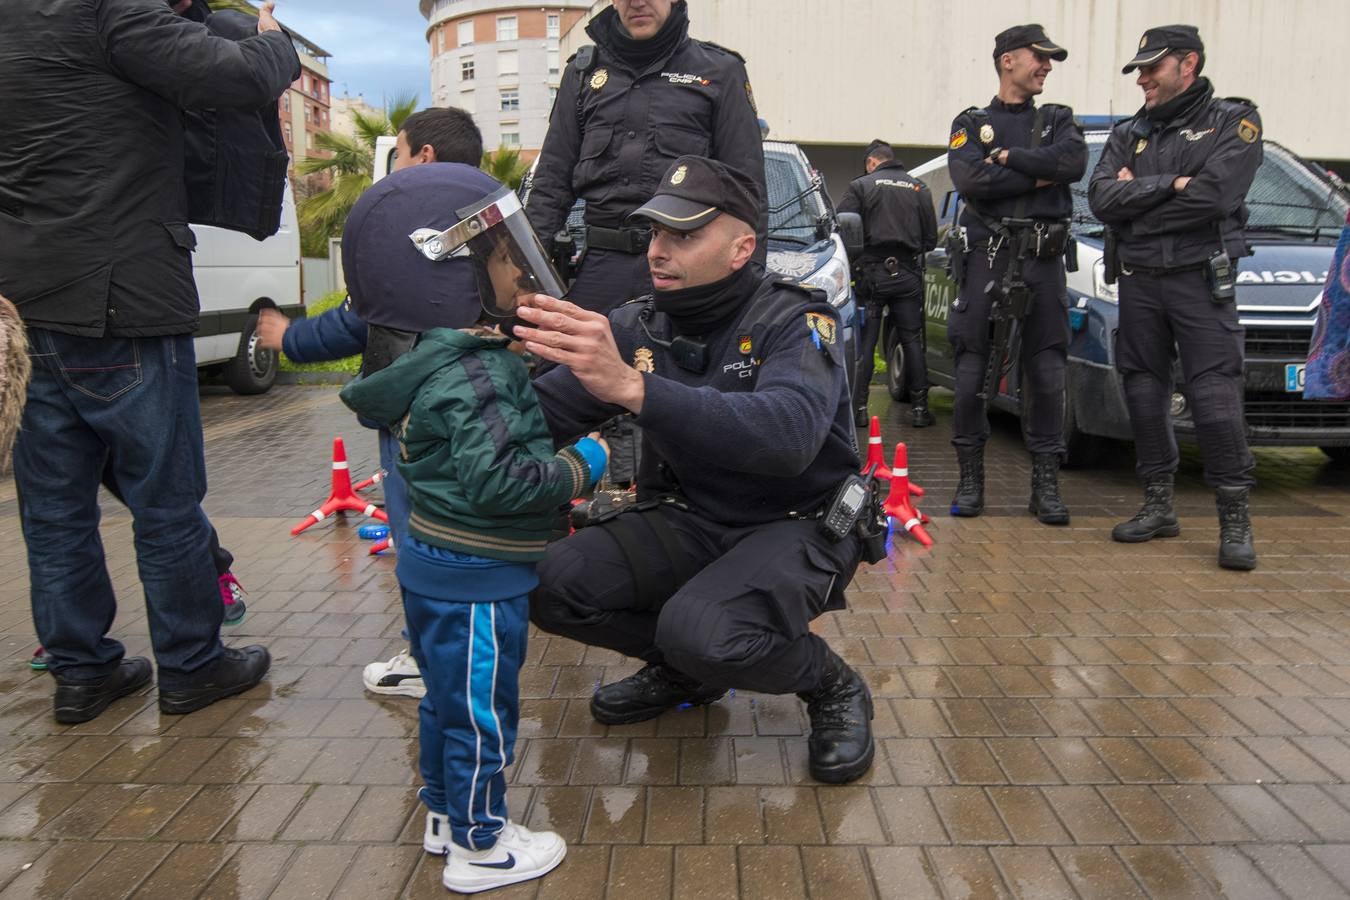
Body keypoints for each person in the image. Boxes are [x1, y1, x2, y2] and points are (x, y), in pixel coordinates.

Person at [519, 156, 876, 785]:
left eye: (683, 235)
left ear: (742, 248)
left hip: (796, 522)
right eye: (656, 233)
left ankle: (829, 683)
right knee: (550, 586)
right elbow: (539, 417)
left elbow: (788, 437)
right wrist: (474, 376)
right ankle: (691, 672)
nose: (659, 250)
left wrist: (635, 389)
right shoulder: (635, 325)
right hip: (693, 515)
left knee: (703, 628)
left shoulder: (796, 319)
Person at [0, 0, 298, 722]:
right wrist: (276, 42)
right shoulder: (107, 8)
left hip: (22, 299)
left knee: (53, 509)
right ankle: (193, 665)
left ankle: (81, 672)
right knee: (164, 501)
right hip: (124, 297)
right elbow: (230, 76)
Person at [339, 163, 607, 894]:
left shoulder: (438, 362)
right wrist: (583, 463)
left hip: (434, 569)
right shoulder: (477, 375)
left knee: (444, 702)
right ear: (444, 272)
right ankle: (482, 845)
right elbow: (503, 482)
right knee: (484, 714)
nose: (516, 273)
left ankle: (443, 814)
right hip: (477, 581)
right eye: (498, 257)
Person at [257, 106, 486, 700]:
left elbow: (361, 317)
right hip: (491, 410)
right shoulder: (498, 224)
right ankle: (480, 653)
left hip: (412, 416)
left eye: (402, 155)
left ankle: (430, 665)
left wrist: (290, 339)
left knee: (419, 539)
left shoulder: (402, 238)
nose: (396, 171)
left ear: (425, 157)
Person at [1089, 25, 1262, 570]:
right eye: (1139, 69)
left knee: (1214, 398)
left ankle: (1234, 519)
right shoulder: (1127, 131)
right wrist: (1171, 184)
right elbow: (1099, 199)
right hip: (1139, 281)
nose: (1142, 78)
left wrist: (1137, 193)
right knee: (1143, 392)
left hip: (1199, 281)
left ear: (1188, 64)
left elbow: (1214, 196)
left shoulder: (1232, 121)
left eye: (1152, 68)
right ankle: (1158, 506)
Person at [526, 0, 766, 315]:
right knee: (562, 361)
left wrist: (750, 286)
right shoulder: (582, 74)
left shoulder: (720, 71)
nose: (637, 2)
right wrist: (525, 280)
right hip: (600, 271)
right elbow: (550, 186)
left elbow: (746, 193)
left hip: (688, 271)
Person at [945, 24, 1086, 525]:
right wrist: (1040, 173)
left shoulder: (1057, 118)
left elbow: (1074, 162)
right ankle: (970, 479)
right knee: (970, 377)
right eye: (1038, 57)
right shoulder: (971, 122)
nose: (1046, 65)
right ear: (1008, 60)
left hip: (1043, 261)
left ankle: (1045, 486)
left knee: (1047, 376)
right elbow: (970, 179)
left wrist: (1009, 161)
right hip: (988, 257)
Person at [837, 139, 938, 428]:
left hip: (871, 275)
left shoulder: (861, 186)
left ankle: (859, 410)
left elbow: (842, 227)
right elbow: (930, 239)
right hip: (907, 275)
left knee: (866, 344)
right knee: (912, 340)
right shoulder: (919, 188)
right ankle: (920, 409)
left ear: (871, 162)